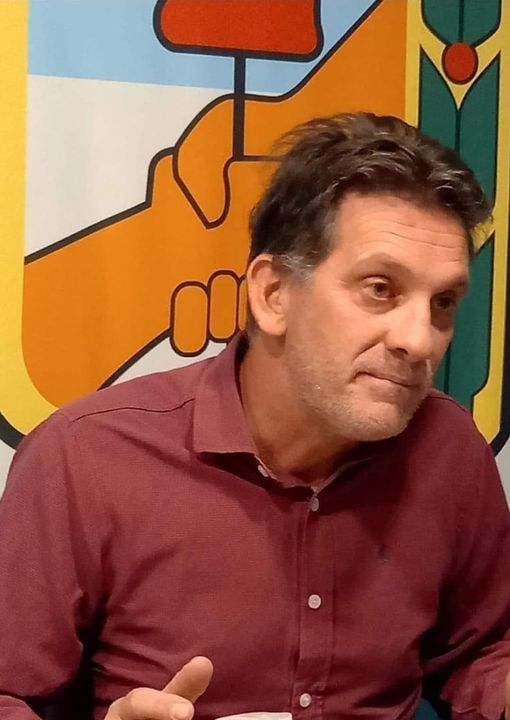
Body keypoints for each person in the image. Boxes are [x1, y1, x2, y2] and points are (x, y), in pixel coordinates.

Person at [0, 112, 509, 720]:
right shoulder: (85, 459)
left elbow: (480, 651)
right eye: (380, 288)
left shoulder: (449, 450)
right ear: (272, 295)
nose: (420, 340)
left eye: (443, 302)